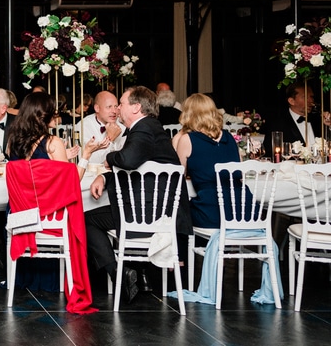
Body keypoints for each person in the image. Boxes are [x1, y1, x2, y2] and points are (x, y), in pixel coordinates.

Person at [84, 85, 191, 305]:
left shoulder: (143, 128)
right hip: (159, 211)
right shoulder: (152, 128)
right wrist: (105, 177)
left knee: (87, 220)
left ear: (136, 107)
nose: (118, 108)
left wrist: (109, 159)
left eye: (121, 103)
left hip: (148, 213)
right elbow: (138, 171)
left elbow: (129, 161)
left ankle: (119, 273)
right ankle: (125, 273)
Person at [3, 92, 71, 292]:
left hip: (19, 214)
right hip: (46, 215)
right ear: (44, 115)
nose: (57, 117)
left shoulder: (12, 142)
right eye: (54, 112)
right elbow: (67, 185)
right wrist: (84, 157)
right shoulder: (53, 143)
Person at [173, 93, 244, 229]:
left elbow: (178, 177)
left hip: (211, 211)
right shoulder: (229, 137)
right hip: (241, 210)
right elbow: (239, 170)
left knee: (178, 215)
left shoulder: (187, 139)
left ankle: (183, 250)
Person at [263, 81, 323, 157]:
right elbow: (269, 153)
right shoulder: (277, 124)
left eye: (311, 97)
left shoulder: (318, 120)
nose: (311, 101)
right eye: (305, 97)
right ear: (292, 101)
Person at [79, 91, 125, 167]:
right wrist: (110, 139)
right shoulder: (84, 126)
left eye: (116, 106)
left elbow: (123, 158)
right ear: (97, 108)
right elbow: (91, 161)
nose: (114, 111)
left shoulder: (123, 126)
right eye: (109, 107)